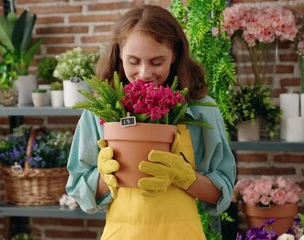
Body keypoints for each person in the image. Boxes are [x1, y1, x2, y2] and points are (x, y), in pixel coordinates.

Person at [66, 5, 236, 240]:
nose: (144, 73)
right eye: (133, 61)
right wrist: (105, 178)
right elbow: (79, 190)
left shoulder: (201, 109)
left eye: (157, 62)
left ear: (174, 54)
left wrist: (186, 177)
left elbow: (222, 194)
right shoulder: (100, 110)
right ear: (119, 54)